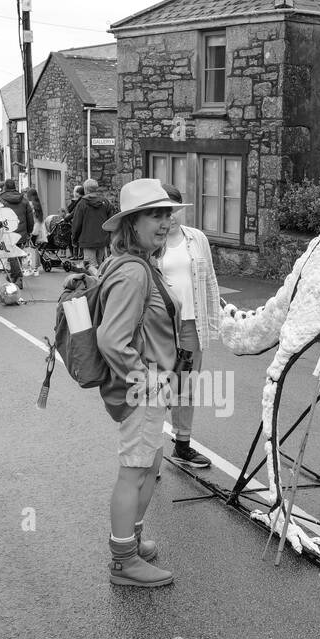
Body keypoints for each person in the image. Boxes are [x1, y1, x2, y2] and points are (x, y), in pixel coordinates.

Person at [95, 179, 186, 588]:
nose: (164, 222)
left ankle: (130, 542)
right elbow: (111, 338)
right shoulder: (134, 271)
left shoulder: (138, 263)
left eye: (167, 214)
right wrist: (146, 379)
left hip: (149, 384)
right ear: (131, 222)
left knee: (148, 465)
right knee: (134, 471)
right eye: (154, 214)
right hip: (143, 387)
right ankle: (124, 562)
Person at [158, 184, 220, 469]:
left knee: (185, 385)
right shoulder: (150, 243)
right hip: (160, 326)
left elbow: (209, 280)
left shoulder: (196, 239)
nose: (170, 218)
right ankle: (149, 453)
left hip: (191, 325)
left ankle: (182, 445)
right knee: (156, 385)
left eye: (174, 211)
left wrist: (212, 318)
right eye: (164, 212)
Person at [0, 178, 34, 284]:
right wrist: (29, 231)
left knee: (12, 255)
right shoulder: (24, 200)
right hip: (21, 233)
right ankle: (15, 277)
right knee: (16, 255)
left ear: (5, 187)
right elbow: (30, 218)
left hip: (7, 232)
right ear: (14, 187)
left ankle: (17, 277)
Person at [72, 179, 113, 267]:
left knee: (90, 267)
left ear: (86, 189)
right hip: (102, 240)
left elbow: (77, 223)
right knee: (99, 265)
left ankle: (96, 280)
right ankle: (99, 280)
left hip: (87, 240)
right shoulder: (105, 202)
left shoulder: (82, 203)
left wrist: (74, 239)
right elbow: (111, 221)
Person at [24, 187, 46, 272]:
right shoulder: (38, 203)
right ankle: (36, 264)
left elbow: (29, 217)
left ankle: (32, 264)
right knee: (34, 246)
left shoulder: (30, 204)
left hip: (33, 226)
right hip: (38, 226)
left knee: (30, 246)